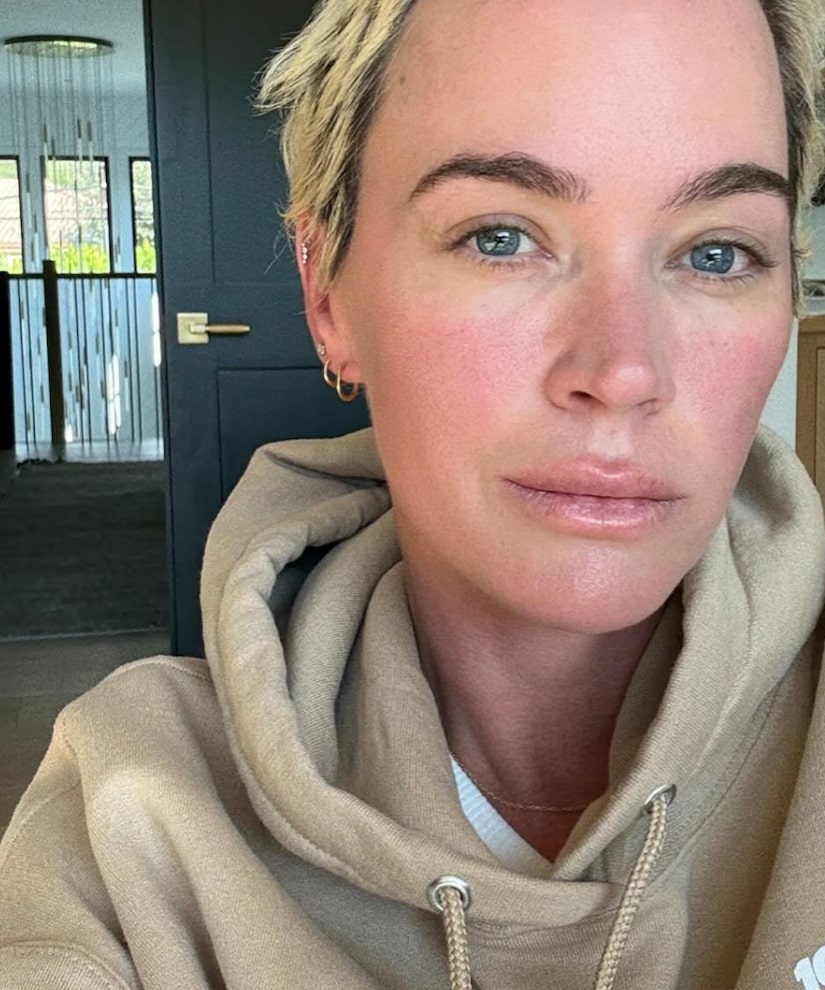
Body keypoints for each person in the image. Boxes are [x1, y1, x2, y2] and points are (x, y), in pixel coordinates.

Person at [2, 0, 825, 986]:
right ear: (326, 295)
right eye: (499, 236)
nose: (623, 372)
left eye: (716, 253)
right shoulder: (128, 819)